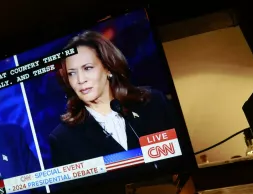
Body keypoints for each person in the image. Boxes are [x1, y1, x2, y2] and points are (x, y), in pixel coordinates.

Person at [49, 30, 175, 167]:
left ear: (107, 67)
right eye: (72, 73)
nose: (80, 80)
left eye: (88, 68)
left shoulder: (153, 103)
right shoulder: (63, 139)